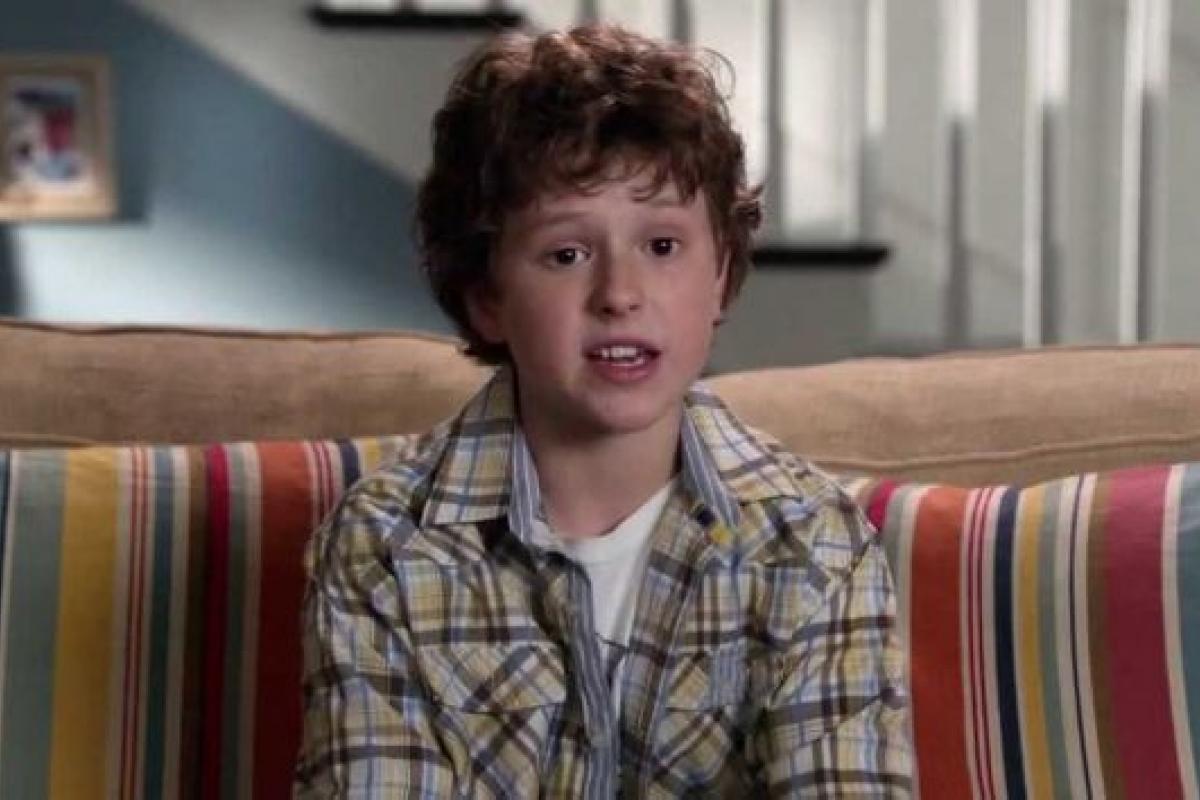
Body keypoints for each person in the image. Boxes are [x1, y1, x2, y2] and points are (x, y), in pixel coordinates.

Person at [295, 23, 911, 798]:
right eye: (567, 254)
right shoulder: (382, 546)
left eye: (662, 246)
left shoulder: (814, 544)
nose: (620, 294)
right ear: (487, 298)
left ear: (720, 276)